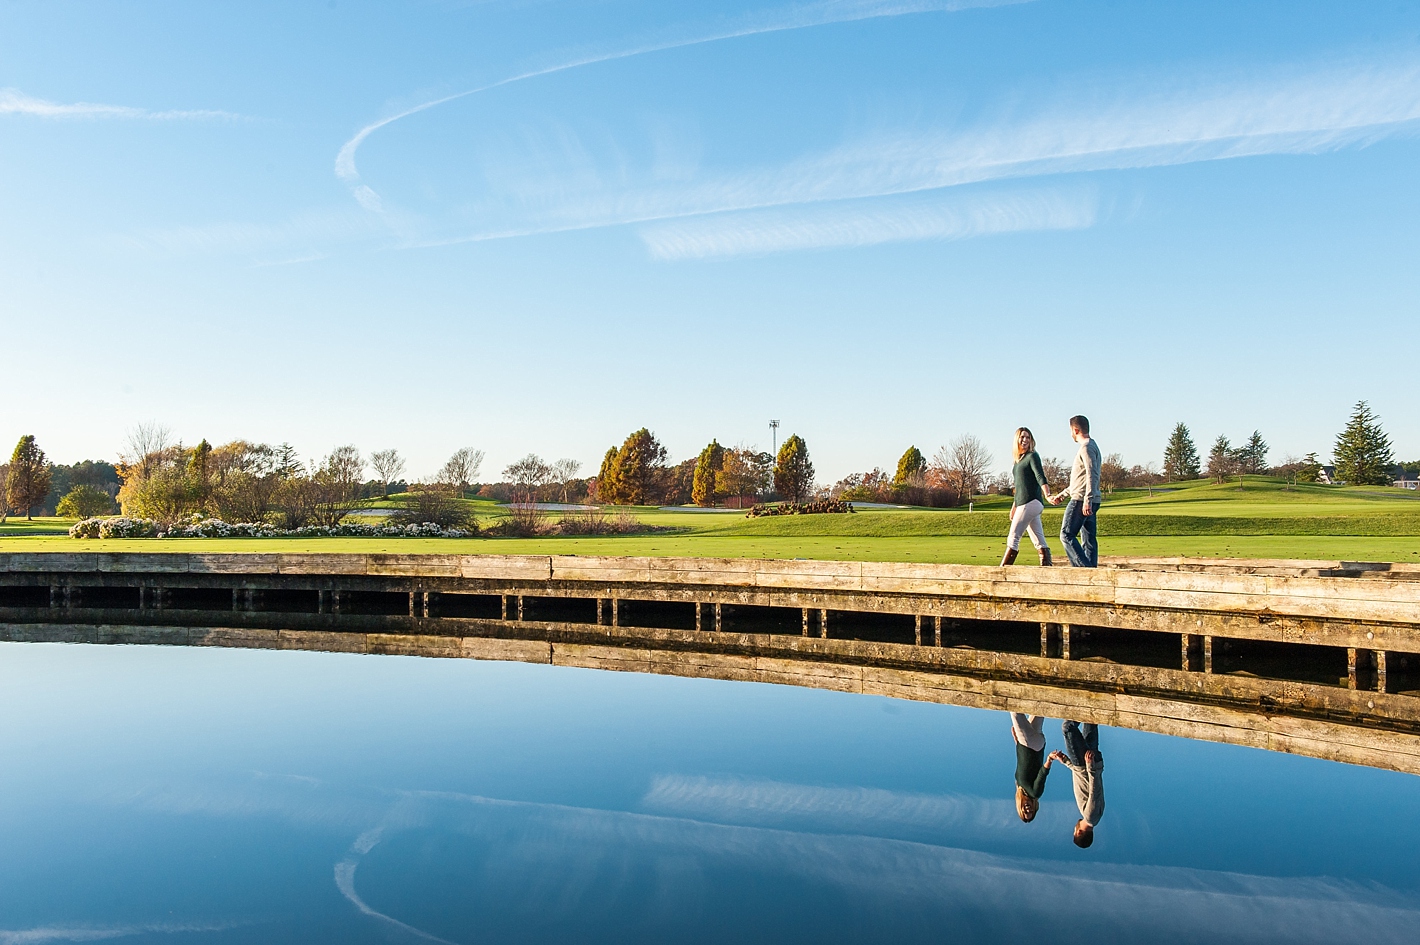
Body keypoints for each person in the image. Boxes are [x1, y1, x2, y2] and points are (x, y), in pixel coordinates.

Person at [1049, 415, 1102, 568]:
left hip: (1082, 500)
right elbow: (1080, 479)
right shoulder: (1092, 446)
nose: (1071, 434)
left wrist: (1087, 499)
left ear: (1075, 430)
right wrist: (1063, 495)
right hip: (1088, 498)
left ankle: (1085, 571)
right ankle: (1091, 573)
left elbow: (1092, 474)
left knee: (1066, 535)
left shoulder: (1086, 448)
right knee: (1088, 540)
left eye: (1071, 431)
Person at [1001, 427, 1053, 567]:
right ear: (1017, 439)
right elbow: (1020, 486)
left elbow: (1040, 476)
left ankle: (1002, 572)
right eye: (1022, 437)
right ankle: (1047, 569)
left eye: (1028, 437)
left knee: (1013, 537)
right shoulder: (1018, 461)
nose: (1025, 440)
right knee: (1039, 540)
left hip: (1031, 502)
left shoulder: (1032, 456)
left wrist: (1047, 494)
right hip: (1024, 503)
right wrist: (1014, 506)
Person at [1049, 720, 1105, 848]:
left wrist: (1064, 761)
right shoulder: (1090, 816)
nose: (1074, 829)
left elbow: (1081, 782)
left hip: (1090, 764)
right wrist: (1090, 767)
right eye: (1074, 831)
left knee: (1090, 720)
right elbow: (1094, 790)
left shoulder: (1096, 817)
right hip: (1085, 764)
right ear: (1079, 832)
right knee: (1067, 728)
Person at [1010, 712, 1054, 823]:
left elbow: (1023, 761)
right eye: (1031, 812)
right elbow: (1041, 775)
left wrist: (1016, 740)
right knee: (1015, 712)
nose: (1028, 810)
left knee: (1039, 708)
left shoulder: (1020, 787)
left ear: (1020, 809)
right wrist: (1049, 760)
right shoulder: (1035, 793)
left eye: (1025, 812)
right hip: (1030, 744)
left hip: (1030, 744)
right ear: (1035, 808)